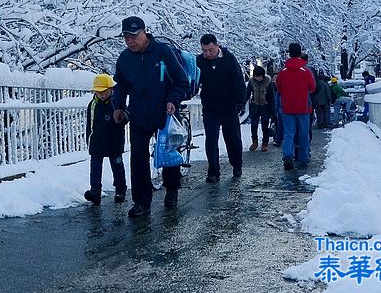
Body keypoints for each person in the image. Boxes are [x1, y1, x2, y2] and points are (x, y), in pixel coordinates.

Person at [112, 16, 189, 217]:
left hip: (165, 113)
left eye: (134, 36)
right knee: (138, 157)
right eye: (126, 37)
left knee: (169, 153)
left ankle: (172, 189)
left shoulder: (163, 52)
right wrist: (118, 106)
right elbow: (120, 85)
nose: (130, 41)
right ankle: (141, 202)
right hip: (138, 115)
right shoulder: (125, 59)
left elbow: (181, 81)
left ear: (144, 32)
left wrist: (172, 100)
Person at [196, 33, 246, 183]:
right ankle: (213, 171)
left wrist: (240, 101)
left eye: (210, 50)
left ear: (217, 46)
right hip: (210, 106)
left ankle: (236, 164)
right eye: (204, 50)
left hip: (228, 105)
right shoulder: (200, 61)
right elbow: (194, 80)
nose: (207, 54)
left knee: (233, 138)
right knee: (211, 139)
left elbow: (238, 80)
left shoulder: (229, 59)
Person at [83, 74, 127, 205]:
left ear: (111, 89)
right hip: (97, 141)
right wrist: (89, 139)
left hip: (114, 141)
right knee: (95, 167)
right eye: (98, 92)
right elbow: (89, 124)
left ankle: (120, 189)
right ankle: (95, 191)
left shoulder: (117, 103)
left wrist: (123, 117)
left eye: (104, 92)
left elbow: (126, 115)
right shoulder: (93, 104)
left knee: (117, 166)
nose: (101, 95)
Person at [276, 42, 316, 170]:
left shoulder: (283, 71)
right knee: (303, 133)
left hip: (287, 107)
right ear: (300, 53)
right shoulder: (306, 71)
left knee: (289, 133)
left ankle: (288, 155)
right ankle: (303, 158)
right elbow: (313, 87)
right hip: (303, 107)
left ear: (289, 53)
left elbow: (278, 87)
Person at [245, 65, 273, 152]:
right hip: (254, 105)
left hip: (265, 106)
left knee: (265, 125)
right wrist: (242, 103)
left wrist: (272, 110)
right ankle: (254, 142)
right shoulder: (252, 82)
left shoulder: (268, 82)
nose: (258, 78)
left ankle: (265, 143)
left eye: (259, 76)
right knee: (254, 125)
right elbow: (247, 93)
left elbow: (272, 97)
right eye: (256, 76)